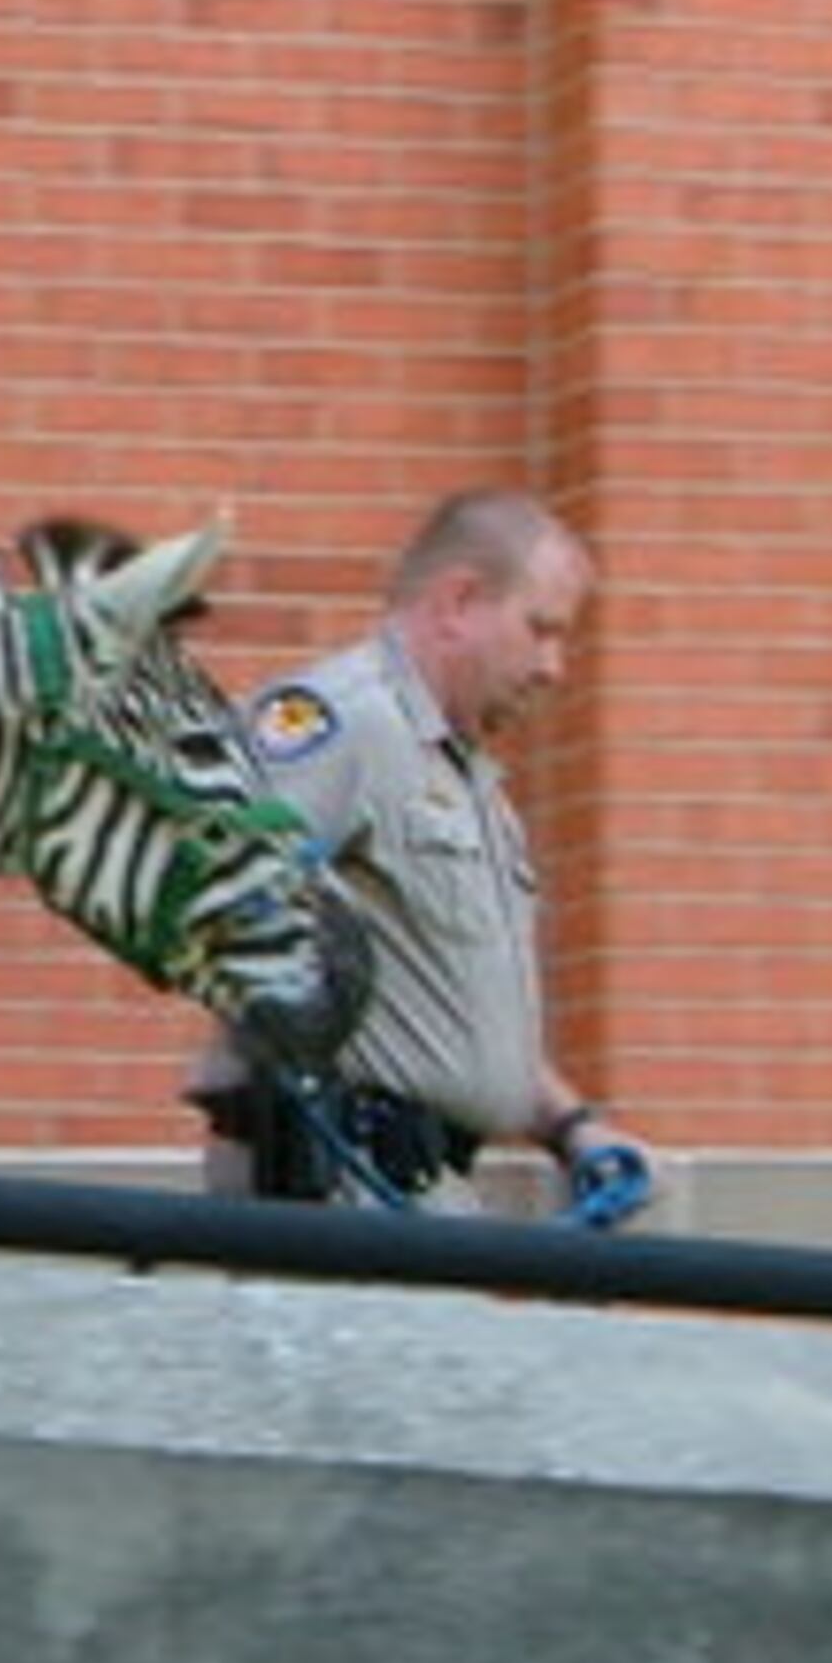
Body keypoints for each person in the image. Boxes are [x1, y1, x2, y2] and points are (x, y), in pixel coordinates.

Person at [189, 488, 655, 1221]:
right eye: (540, 630)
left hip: (424, 1197)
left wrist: (572, 1127)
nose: (555, 666)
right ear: (460, 601)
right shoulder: (341, 720)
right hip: (335, 1195)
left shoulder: (465, 779)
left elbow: (447, 1023)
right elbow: (199, 885)